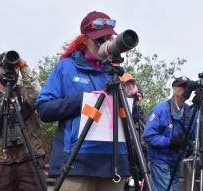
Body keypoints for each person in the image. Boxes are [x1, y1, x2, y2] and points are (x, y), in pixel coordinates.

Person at [36, 11, 134, 191]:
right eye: (100, 39)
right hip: (77, 161)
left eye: (109, 38)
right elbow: (44, 109)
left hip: (114, 162)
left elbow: (128, 120)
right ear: (86, 39)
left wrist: (132, 100)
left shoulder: (117, 72)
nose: (106, 43)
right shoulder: (66, 67)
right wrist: (83, 101)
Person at [0, 51, 46, 191]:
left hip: (30, 159)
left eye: (13, 67)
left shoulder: (26, 92)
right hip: (1, 162)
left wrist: (24, 68)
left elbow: (40, 98)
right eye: (4, 66)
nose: (9, 70)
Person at [143, 76, 197, 191]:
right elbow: (148, 136)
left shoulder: (190, 111)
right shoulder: (160, 109)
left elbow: (192, 136)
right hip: (160, 160)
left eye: (188, 87)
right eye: (183, 87)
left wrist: (188, 146)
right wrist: (170, 141)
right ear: (174, 89)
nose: (186, 90)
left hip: (176, 160)